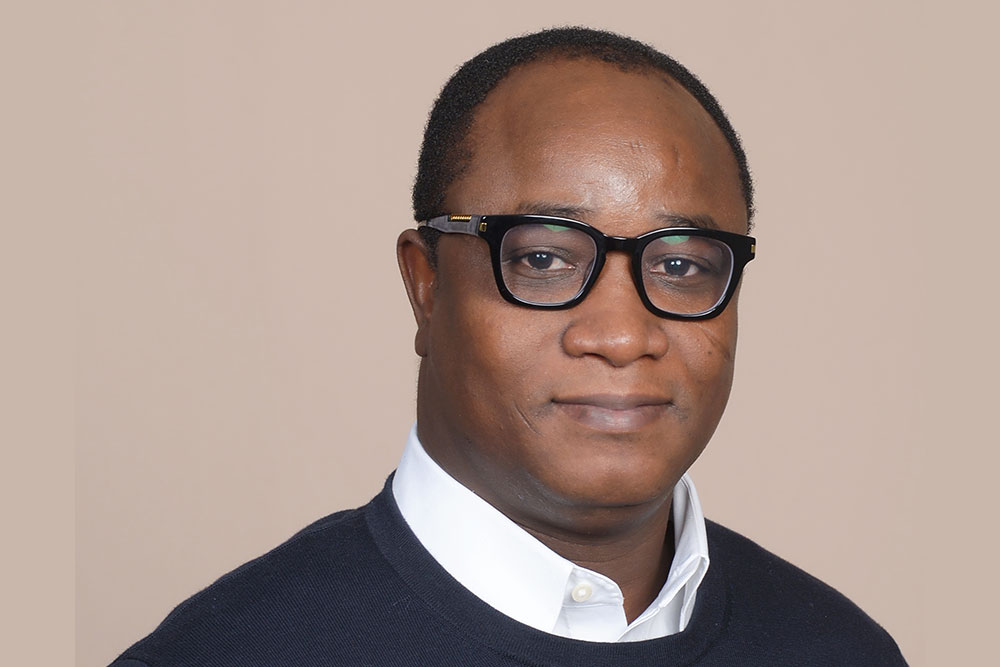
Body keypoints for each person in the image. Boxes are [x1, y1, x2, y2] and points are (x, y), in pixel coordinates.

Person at [111, 27, 906, 666]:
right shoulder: (227, 652)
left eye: (679, 264)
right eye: (544, 258)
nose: (624, 334)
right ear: (425, 285)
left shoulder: (842, 648)